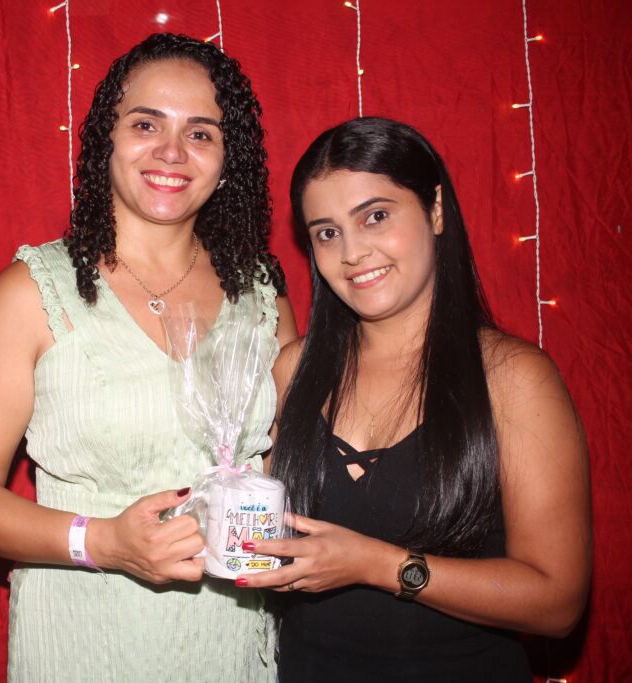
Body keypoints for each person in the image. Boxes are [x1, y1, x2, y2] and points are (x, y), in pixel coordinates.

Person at [0, 33, 297, 681]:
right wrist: (102, 542)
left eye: (201, 133)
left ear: (227, 160)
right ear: (107, 139)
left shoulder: (260, 294)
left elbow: (287, 463)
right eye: (146, 124)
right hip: (86, 642)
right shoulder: (32, 293)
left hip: (232, 643)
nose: (171, 151)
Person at [235, 117, 591, 681]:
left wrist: (379, 564)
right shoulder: (294, 370)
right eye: (327, 233)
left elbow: (556, 602)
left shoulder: (512, 377)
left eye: (375, 216)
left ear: (436, 209)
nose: (353, 252)